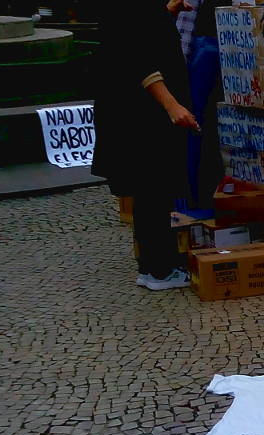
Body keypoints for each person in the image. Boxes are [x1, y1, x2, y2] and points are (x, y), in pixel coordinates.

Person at [92, 0, 198, 291]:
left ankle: (155, 264)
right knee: (153, 187)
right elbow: (138, 56)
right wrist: (171, 104)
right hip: (143, 110)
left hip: (138, 106)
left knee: (152, 190)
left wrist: (167, 13)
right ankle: (158, 270)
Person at [184, 0, 232, 218]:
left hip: (223, 48)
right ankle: (201, 204)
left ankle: (208, 203)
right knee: (200, 128)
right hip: (208, 50)